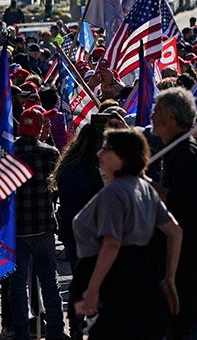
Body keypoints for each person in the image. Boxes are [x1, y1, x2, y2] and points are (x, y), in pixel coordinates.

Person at [71, 128, 182, 339]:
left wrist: (92, 289)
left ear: (123, 156)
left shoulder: (115, 191)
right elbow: (175, 232)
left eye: (107, 149)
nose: (99, 154)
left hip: (114, 283)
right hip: (143, 279)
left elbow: (112, 243)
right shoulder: (144, 187)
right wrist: (169, 277)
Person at [152, 88, 197, 339]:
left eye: (156, 110)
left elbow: (188, 205)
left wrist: (148, 187)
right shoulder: (175, 151)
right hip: (185, 267)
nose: (151, 116)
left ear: (171, 116)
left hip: (191, 270)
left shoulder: (186, 153)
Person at [50, 115, 108, 337]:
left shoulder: (67, 166)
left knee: (78, 276)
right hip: (92, 229)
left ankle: (76, 324)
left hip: (70, 228)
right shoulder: (96, 168)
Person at [10, 107, 65, 340]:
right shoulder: (50, 153)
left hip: (16, 229)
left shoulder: (7, 153)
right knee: (49, 281)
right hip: (42, 226)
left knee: (18, 284)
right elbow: (56, 189)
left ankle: (21, 331)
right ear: (39, 128)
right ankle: (55, 330)